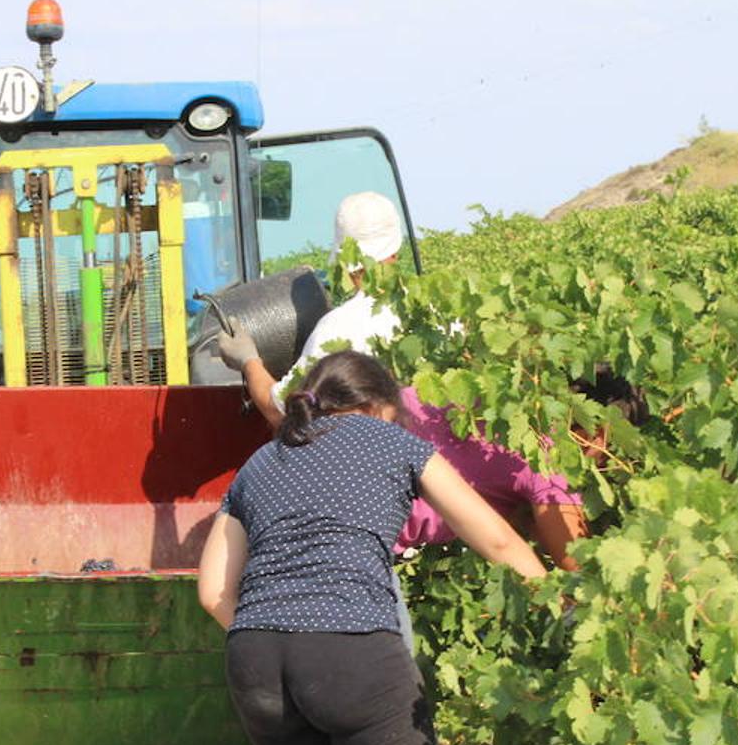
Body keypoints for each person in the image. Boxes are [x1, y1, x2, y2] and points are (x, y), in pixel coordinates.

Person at [198, 351, 547, 745]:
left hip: (255, 659)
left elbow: (212, 592)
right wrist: (557, 598)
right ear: (381, 406)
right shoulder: (392, 441)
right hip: (350, 647)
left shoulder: (259, 462)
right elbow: (496, 540)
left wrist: (277, 632)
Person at [218, 191, 588, 573]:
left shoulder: (337, 328)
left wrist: (249, 361)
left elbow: (282, 413)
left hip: (378, 517)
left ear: (346, 261)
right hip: (463, 519)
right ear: (397, 248)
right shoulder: (448, 313)